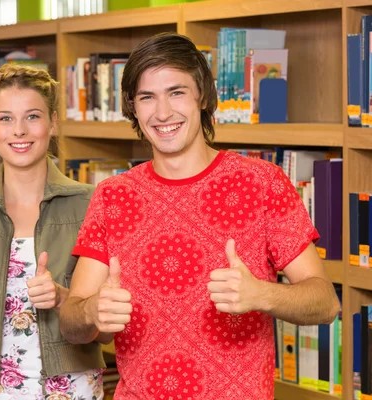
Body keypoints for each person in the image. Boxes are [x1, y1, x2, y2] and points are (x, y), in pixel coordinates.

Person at [59, 32, 341, 400]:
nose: (162, 113)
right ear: (132, 107)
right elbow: (70, 321)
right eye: (147, 97)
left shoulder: (263, 182)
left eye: (176, 92)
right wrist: (91, 312)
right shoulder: (113, 195)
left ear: (203, 96)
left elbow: (326, 303)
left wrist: (262, 295)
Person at [0, 63, 105, 399]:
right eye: (5, 118)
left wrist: (63, 299)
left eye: (32, 116)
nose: (19, 131)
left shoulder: (92, 205)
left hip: (72, 389)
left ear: (53, 121)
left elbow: (106, 333)